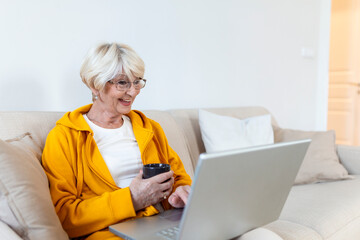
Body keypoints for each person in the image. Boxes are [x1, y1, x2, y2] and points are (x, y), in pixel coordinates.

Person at [42, 43, 192, 240]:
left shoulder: (149, 128)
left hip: (160, 223)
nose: (133, 92)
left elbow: (179, 177)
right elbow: (63, 215)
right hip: (110, 232)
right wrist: (131, 199)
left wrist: (182, 192)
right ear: (95, 84)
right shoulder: (64, 137)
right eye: (122, 83)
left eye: (137, 82)